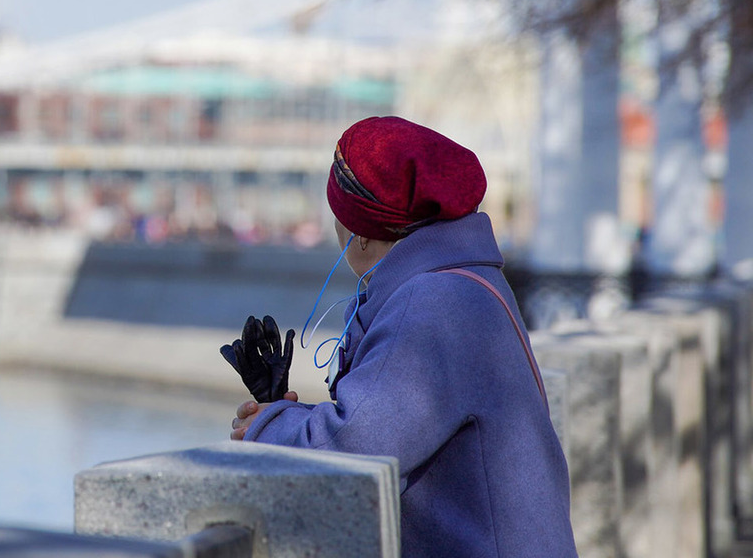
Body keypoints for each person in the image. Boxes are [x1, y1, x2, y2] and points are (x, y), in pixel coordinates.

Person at [230, 116, 577, 558]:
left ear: (358, 230)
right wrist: (282, 412)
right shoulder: (461, 280)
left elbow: (352, 448)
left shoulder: (433, 302)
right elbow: (398, 423)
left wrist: (265, 429)